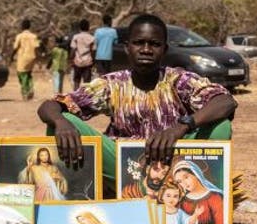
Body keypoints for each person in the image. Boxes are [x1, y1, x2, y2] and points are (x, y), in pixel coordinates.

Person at [39, 14, 237, 185]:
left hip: (173, 165)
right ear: (127, 48)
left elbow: (225, 101)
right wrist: (60, 121)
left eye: (154, 44)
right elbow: (49, 106)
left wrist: (181, 127)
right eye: (139, 43)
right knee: (61, 122)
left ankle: (185, 194)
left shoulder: (179, 79)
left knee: (220, 126)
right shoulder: (112, 84)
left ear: (165, 50)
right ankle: (86, 194)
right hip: (122, 166)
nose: (146, 49)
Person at [12, 19, 40, 101]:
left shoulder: (19, 36)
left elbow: (15, 47)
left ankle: (25, 92)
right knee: (28, 74)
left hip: (22, 57)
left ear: (22, 26)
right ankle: (30, 88)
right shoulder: (34, 36)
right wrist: (38, 58)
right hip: (32, 57)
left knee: (22, 74)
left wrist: (11, 56)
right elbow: (37, 47)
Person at [69, 19, 95, 90]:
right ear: (88, 27)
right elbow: (92, 51)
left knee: (76, 81)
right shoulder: (91, 38)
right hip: (88, 62)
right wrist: (94, 61)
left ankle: (76, 98)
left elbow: (73, 50)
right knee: (87, 83)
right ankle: (85, 99)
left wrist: (71, 60)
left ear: (80, 27)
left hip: (77, 62)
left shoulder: (76, 37)